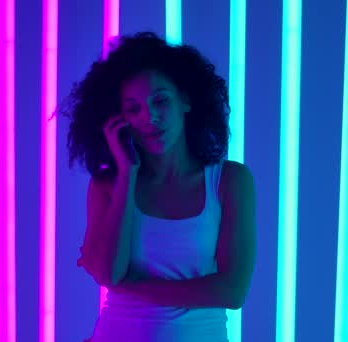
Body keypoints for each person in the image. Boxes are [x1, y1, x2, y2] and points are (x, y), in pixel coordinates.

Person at [61, 32, 257, 342]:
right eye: (133, 109)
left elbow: (232, 291)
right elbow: (108, 274)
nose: (148, 117)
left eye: (160, 100)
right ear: (119, 118)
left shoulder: (230, 182)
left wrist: (131, 285)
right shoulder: (107, 185)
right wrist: (127, 174)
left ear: (186, 100)